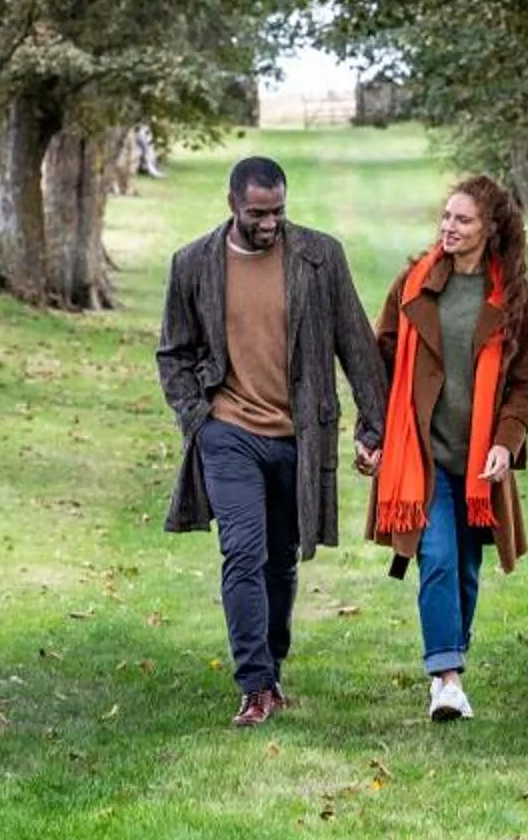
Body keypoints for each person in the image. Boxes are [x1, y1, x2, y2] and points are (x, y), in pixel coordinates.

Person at [158, 155, 390, 727]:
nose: (269, 223)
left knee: (282, 558)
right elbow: (174, 353)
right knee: (243, 551)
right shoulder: (193, 264)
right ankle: (255, 685)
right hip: (228, 432)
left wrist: (374, 426)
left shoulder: (319, 257)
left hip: (299, 436)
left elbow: (356, 344)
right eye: (257, 213)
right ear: (232, 205)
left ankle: (273, 666)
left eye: (277, 212)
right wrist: (197, 418)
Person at [368, 171, 528, 722]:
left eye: (463, 220)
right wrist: (372, 434)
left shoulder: (511, 299)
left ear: (490, 229)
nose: (449, 227)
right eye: (446, 216)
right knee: (439, 559)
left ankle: (450, 660)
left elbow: (522, 386)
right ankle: (446, 679)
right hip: (422, 455)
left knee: (466, 570)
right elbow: (380, 361)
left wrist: (506, 444)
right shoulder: (413, 284)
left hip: (478, 464)